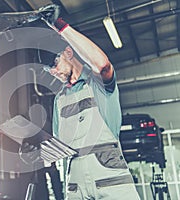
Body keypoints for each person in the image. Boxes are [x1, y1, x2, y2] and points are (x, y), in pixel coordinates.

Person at [38, 5, 141, 200]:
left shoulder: (97, 84)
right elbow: (61, 144)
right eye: (48, 70)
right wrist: (38, 150)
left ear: (68, 53)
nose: (54, 72)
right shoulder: (59, 99)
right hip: (75, 181)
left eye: (54, 64)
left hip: (110, 177)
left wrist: (60, 26)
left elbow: (102, 65)